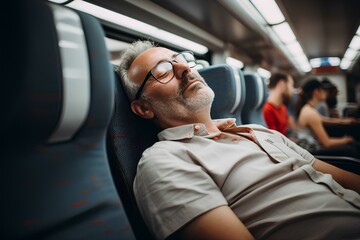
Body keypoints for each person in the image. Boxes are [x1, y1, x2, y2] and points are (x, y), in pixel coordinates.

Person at [117, 40, 360, 240]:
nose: (184, 69)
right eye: (162, 71)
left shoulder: (257, 130)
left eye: (181, 60)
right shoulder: (164, 161)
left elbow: (345, 179)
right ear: (143, 108)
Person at [296, 78, 360, 157]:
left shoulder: (309, 109)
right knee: (352, 149)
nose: (326, 93)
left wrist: (345, 121)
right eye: (323, 90)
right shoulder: (310, 113)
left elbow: (326, 120)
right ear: (316, 92)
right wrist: (346, 139)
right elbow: (327, 143)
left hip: (312, 147)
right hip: (312, 151)